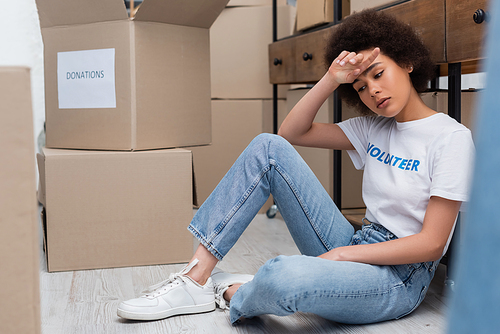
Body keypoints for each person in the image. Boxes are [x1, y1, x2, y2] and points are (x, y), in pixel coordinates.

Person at [117, 9, 474, 325]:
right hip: (357, 242)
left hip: (398, 278)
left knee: (285, 276)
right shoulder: (373, 128)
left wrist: (343, 254)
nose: (373, 92)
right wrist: (332, 79)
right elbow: (291, 133)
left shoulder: (450, 138)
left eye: (379, 74)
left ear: (408, 63)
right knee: (267, 147)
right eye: (361, 86)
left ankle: (233, 293)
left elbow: (431, 244)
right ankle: (195, 278)